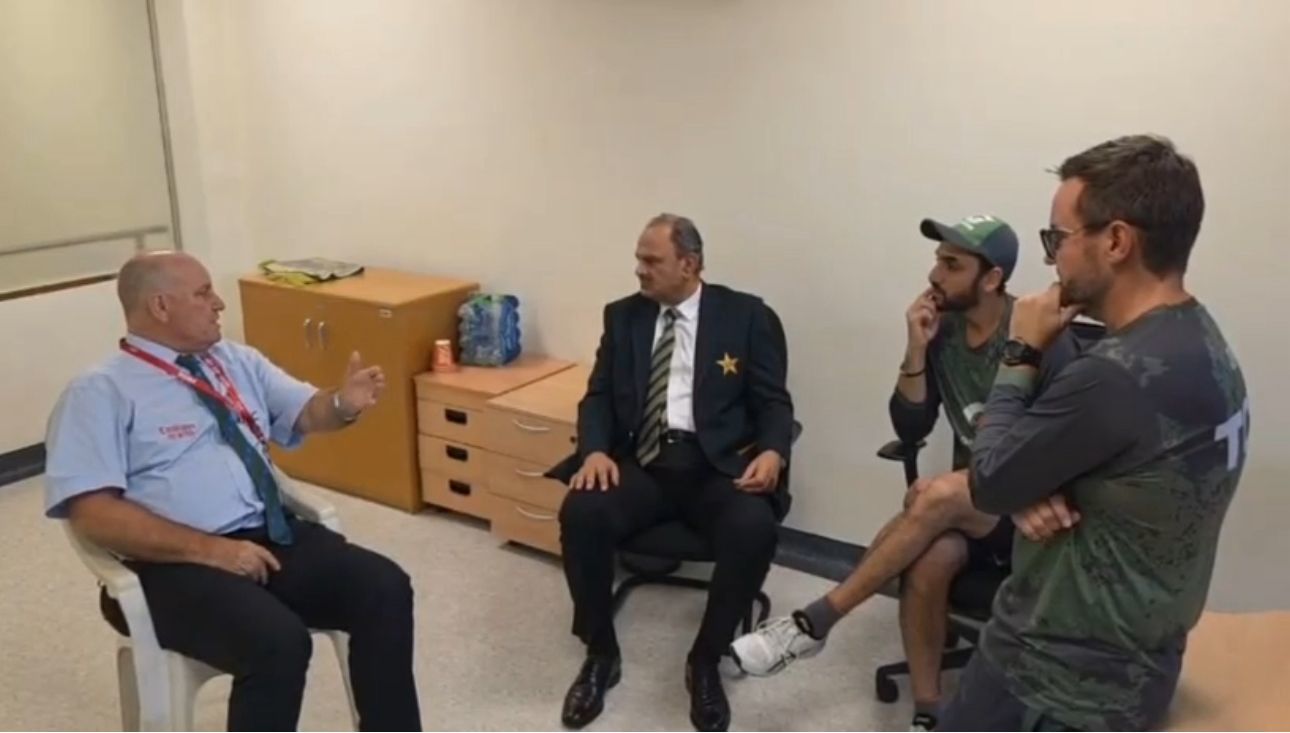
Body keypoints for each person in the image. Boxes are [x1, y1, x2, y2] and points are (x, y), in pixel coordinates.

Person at [937, 135, 1248, 731]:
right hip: (1137, 667)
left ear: (1116, 241)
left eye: (1057, 238)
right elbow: (1116, 470)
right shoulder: (1200, 339)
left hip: (1049, 680)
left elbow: (988, 480)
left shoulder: (1115, 374)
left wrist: (1021, 351)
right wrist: (1030, 481)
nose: (1051, 259)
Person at [44, 252, 422, 731]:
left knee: (384, 587)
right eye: (203, 293)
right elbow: (93, 514)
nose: (218, 303)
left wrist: (343, 404)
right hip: (167, 565)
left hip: (266, 535)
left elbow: (307, 412)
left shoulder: (236, 360)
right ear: (160, 306)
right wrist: (212, 551)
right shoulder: (99, 391)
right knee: (277, 642)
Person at [731, 215, 1075, 731]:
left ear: (992, 278)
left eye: (952, 264)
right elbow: (910, 426)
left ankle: (815, 621)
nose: (934, 274)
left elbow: (1069, 444)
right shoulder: (945, 330)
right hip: (974, 506)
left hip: (1033, 511)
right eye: (937, 260)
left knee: (934, 495)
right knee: (929, 559)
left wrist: (953, 492)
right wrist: (916, 346)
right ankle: (928, 711)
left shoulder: (1036, 334)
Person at [549, 213, 794, 732]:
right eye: (638, 259)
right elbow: (598, 396)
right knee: (582, 511)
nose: (639, 270)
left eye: (651, 260)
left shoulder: (746, 316)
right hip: (644, 460)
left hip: (715, 465)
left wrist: (773, 450)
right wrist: (594, 451)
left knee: (753, 528)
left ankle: (705, 659)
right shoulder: (623, 317)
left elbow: (774, 401)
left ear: (690, 264)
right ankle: (600, 652)